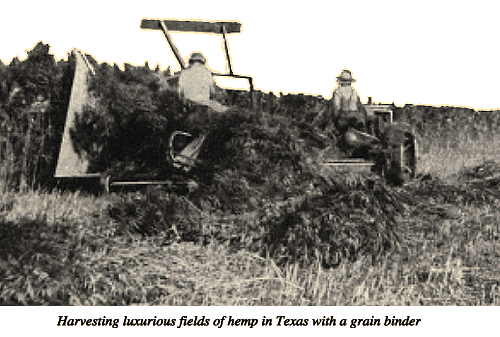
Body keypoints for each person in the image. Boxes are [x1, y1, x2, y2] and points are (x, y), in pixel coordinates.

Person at [174, 53, 228, 172]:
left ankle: (184, 162)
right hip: (202, 106)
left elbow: (179, 93)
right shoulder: (206, 73)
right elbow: (212, 92)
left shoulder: (184, 73)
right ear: (202, 62)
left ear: (191, 61)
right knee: (206, 133)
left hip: (189, 106)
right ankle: (183, 161)